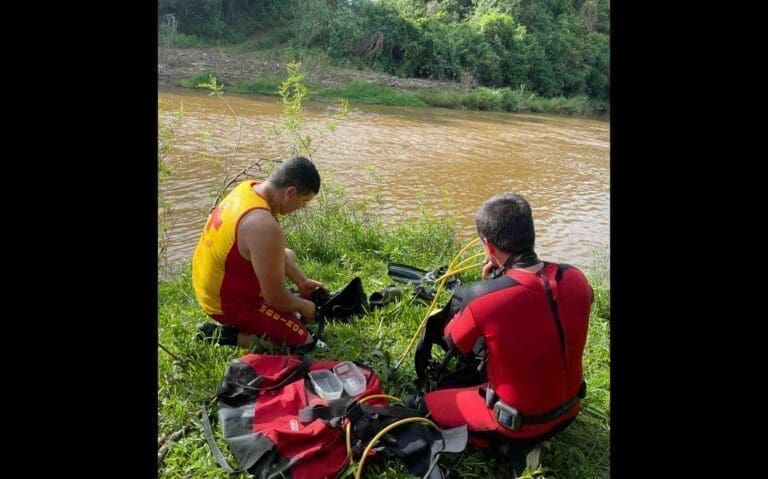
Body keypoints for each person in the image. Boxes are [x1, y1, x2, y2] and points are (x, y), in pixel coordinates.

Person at [422, 193, 593, 474]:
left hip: (518, 423)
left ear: (488, 245)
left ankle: (507, 446)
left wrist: (488, 286)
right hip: (570, 411)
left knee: (431, 404)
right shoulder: (576, 277)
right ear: (531, 234)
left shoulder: (486, 299)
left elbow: (455, 342)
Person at [192, 156, 324, 348]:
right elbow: (276, 298)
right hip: (224, 305)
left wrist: (301, 281)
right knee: (304, 341)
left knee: (287, 254)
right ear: (290, 192)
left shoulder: (249, 187)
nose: (303, 207)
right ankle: (226, 335)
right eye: (304, 201)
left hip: (208, 283)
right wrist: (306, 307)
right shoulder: (262, 225)